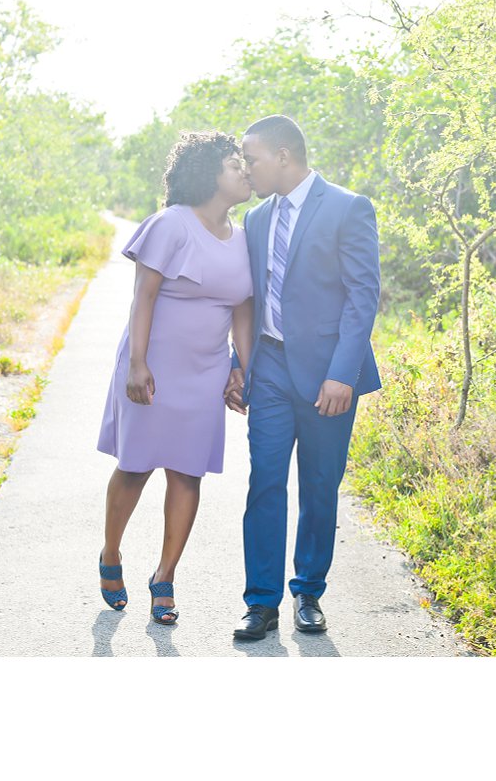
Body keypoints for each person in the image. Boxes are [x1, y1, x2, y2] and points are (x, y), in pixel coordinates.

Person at [231, 115, 382, 642]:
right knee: (265, 482)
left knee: (320, 485)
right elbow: (247, 301)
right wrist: (239, 364)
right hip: (269, 369)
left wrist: (344, 373)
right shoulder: (253, 221)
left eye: (250, 159)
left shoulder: (348, 207)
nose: (246, 170)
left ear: (283, 156)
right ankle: (261, 601)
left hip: (327, 376)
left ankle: (309, 591)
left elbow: (363, 297)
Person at [97, 133, 254, 626]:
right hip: (155, 367)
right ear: (210, 173)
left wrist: (242, 369)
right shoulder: (171, 225)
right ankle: (111, 553)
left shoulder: (246, 235)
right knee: (136, 466)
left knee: (188, 472)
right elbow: (143, 296)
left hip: (206, 372)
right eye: (235, 165)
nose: (246, 172)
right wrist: (138, 363)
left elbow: (243, 311)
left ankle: (164, 577)